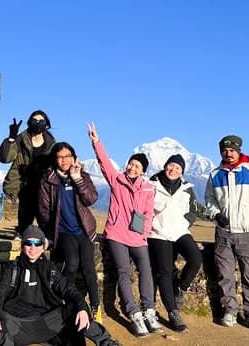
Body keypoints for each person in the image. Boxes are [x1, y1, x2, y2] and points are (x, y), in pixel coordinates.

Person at [0, 225, 120, 346]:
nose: (33, 248)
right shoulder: (12, 269)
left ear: (43, 247)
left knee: (75, 308)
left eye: (37, 243)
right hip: (19, 325)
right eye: (28, 243)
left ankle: (106, 342)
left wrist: (82, 308)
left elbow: (70, 290)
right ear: (22, 245)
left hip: (47, 323)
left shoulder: (49, 269)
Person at [87, 122, 162, 337]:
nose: (132, 168)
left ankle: (149, 310)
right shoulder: (116, 179)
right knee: (124, 272)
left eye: (137, 166)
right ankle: (134, 314)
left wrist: (144, 232)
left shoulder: (148, 188)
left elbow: (148, 213)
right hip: (117, 234)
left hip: (138, 237)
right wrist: (96, 142)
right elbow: (104, 163)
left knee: (146, 270)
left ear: (143, 171)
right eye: (131, 164)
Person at [205, 135, 249, 330]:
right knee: (225, 275)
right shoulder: (215, 174)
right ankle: (230, 311)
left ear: (239, 150)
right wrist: (215, 214)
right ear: (221, 152)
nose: (228, 153)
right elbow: (209, 198)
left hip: (247, 232)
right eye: (225, 150)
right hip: (224, 232)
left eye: (232, 150)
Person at [38, 141, 102, 320]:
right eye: (60, 157)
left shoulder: (82, 176)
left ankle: (96, 306)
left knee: (89, 267)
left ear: (74, 158)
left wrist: (77, 178)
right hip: (63, 230)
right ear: (55, 159)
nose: (64, 160)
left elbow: (91, 199)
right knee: (72, 263)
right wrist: (49, 233)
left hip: (83, 230)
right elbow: (44, 210)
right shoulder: (48, 179)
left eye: (67, 156)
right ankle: (66, 301)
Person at [147, 154, 202, 332]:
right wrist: (140, 229)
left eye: (178, 168)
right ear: (165, 166)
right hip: (158, 233)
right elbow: (140, 208)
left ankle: (180, 288)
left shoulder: (187, 188)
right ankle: (173, 312)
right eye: (171, 166)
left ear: (182, 172)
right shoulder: (151, 184)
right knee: (164, 271)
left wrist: (185, 223)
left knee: (195, 258)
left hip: (179, 231)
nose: (173, 170)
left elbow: (194, 209)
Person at [0, 110, 55, 236]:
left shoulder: (52, 145)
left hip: (44, 190)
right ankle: (23, 250)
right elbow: (5, 158)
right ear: (29, 123)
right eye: (34, 120)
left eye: (41, 121)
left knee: (46, 224)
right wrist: (11, 138)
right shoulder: (20, 141)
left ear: (47, 125)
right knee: (24, 225)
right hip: (24, 188)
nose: (37, 123)